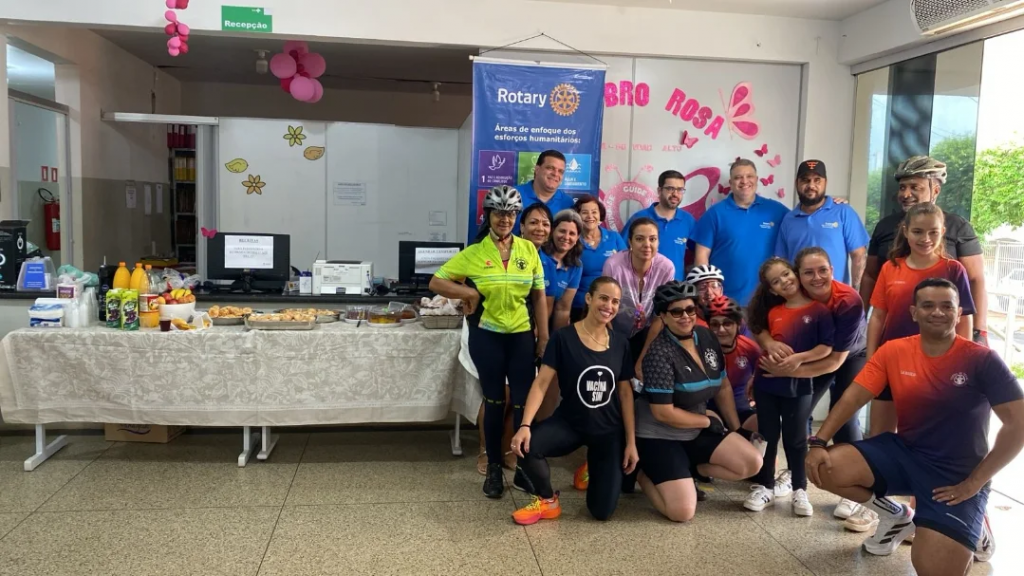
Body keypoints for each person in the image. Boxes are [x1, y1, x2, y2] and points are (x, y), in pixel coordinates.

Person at [806, 278, 1024, 575]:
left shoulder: (981, 359)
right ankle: (897, 516)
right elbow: (854, 396)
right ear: (914, 312)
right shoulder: (894, 351)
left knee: (935, 569)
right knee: (824, 466)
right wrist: (819, 442)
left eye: (947, 306)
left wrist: (975, 483)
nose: (937, 312)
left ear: (959, 312)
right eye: (928, 305)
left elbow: (1018, 425)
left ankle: (975, 523)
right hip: (905, 454)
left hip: (956, 474)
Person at [430, 185, 549, 499]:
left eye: (510, 213)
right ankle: (494, 467)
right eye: (498, 213)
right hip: (487, 337)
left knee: (523, 404)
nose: (505, 219)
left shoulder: (529, 250)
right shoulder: (475, 252)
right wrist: (468, 292)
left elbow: (538, 296)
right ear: (488, 215)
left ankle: (523, 469)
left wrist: (544, 336)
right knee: (495, 402)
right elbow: (436, 281)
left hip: (522, 336)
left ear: (516, 216)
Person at [758, 247, 872, 529]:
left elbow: (835, 361)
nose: (817, 277)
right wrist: (770, 345)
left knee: (843, 413)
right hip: (809, 356)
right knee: (799, 410)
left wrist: (788, 370)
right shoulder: (791, 290)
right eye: (808, 272)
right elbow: (758, 321)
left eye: (823, 270)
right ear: (798, 275)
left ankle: (854, 485)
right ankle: (796, 473)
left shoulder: (848, 301)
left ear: (833, 270)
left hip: (849, 355)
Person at [509, 277, 639, 524]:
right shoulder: (563, 338)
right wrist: (525, 425)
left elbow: (625, 394)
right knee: (527, 447)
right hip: (571, 423)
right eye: (603, 298)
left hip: (607, 431)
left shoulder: (621, 344)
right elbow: (541, 383)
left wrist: (630, 442)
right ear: (589, 299)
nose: (609, 306)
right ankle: (548, 501)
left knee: (601, 512)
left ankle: (592, 466)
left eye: (615, 301)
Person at [634, 281, 763, 522]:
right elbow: (663, 413)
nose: (685, 316)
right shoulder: (658, 353)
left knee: (752, 462)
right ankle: (645, 474)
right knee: (681, 513)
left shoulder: (706, 337)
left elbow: (723, 386)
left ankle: (690, 468)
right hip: (660, 435)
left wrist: (736, 429)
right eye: (676, 311)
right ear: (663, 316)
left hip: (694, 428)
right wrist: (705, 421)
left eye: (690, 309)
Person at [867, 203, 975, 438]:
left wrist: (961, 360)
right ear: (905, 231)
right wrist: (871, 358)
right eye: (918, 231)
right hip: (892, 360)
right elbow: (877, 316)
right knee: (880, 436)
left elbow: (964, 318)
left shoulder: (953, 269)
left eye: (933, 232)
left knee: (925, 435)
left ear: (942, 232)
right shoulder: (890, 268)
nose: (925, 239)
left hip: (936, 363)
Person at [860, 155, 988, 346]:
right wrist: (860, 320)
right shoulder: (884, 226)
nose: (906, 194)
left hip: (942, 335)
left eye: (915, 187)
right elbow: (870, 275)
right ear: (906, 231)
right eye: (902, 187)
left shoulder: (958, 226)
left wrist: (979, 332)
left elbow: (975, 279)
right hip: (895, 336)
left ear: (935, 190)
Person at [744, 258, 834, 516]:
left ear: (794, 273)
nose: (784, 281)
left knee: (796, 438)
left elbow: (826, 348)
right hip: (767, 382)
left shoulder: (819, 311)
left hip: (799, 385)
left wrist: (799, 359)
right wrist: (757, 372)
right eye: (776, 281)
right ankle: (766, 486)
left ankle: (799, 489)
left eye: (786, 274)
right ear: (772, 290)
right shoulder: (773, 312)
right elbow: (764, 340)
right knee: (767, 435)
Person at [692, 158, 790, 305]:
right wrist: (707, 294)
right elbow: (701, 256)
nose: (744, 181)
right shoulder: (714, 214)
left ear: (756, 179)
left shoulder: (776, 210)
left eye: (749, 176)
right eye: (738, 177)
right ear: (731, 183)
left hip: (769, 300)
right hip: (725, 302)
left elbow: (799, 227)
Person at [774, 160, 869, 288]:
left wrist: (855, 292)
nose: (811, 185)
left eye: (817, 180)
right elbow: (782, 261)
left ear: (826, 182)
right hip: (800, 296)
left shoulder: (843, 212)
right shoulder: (789, 219)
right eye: (805, 180)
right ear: (797, 183)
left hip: (836, 296)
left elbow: (859, 255)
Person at [602, 217, 676, 362]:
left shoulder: (666, 268)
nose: (647, 245)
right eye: (640, 239)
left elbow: (660, 316)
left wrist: (643, 358)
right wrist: (613, 347)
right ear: (630, 242)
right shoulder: (613, 265)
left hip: (648, 332)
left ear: (658, 242)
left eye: (652, 239)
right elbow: (604, 310)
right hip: (612, 329)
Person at [622, 170, 696, 280]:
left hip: (675, 287)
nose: (675, 194)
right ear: (659, 190)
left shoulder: (688, 220)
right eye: (670, 188)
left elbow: (699, 252)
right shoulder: (639, 218)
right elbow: (622, 252)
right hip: (642, 285)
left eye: (680, 189)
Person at [704, 296, 759, 432]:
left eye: (727, 323)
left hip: (742, 409)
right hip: (710, 411)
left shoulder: (750, 348)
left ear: (738, 325)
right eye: (715, 325)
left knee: (765, 424)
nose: (721, 330)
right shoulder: (701, 350)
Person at [573, 194, 627, 322]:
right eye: (584, 212)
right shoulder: (572, 240)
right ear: (577, 216)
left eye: (594, 212)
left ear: (600, 214)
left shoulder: (614, 237)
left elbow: (627, 268)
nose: (590, 216)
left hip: (610, 305)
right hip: (580, 305)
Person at [514, 150, 575, 234]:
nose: (555, 174)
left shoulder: (567, 203)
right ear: (537, 169)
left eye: (560, 171)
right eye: (550, 168)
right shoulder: (514, 194)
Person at [540, 210, 583, 331]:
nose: (566, 237)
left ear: (577, 238)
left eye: (572, 233)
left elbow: (563, 309)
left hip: (549, 321)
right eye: (562, 231)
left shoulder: (576, 266)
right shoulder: (539, 253)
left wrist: (557, 339)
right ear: (552, 231)